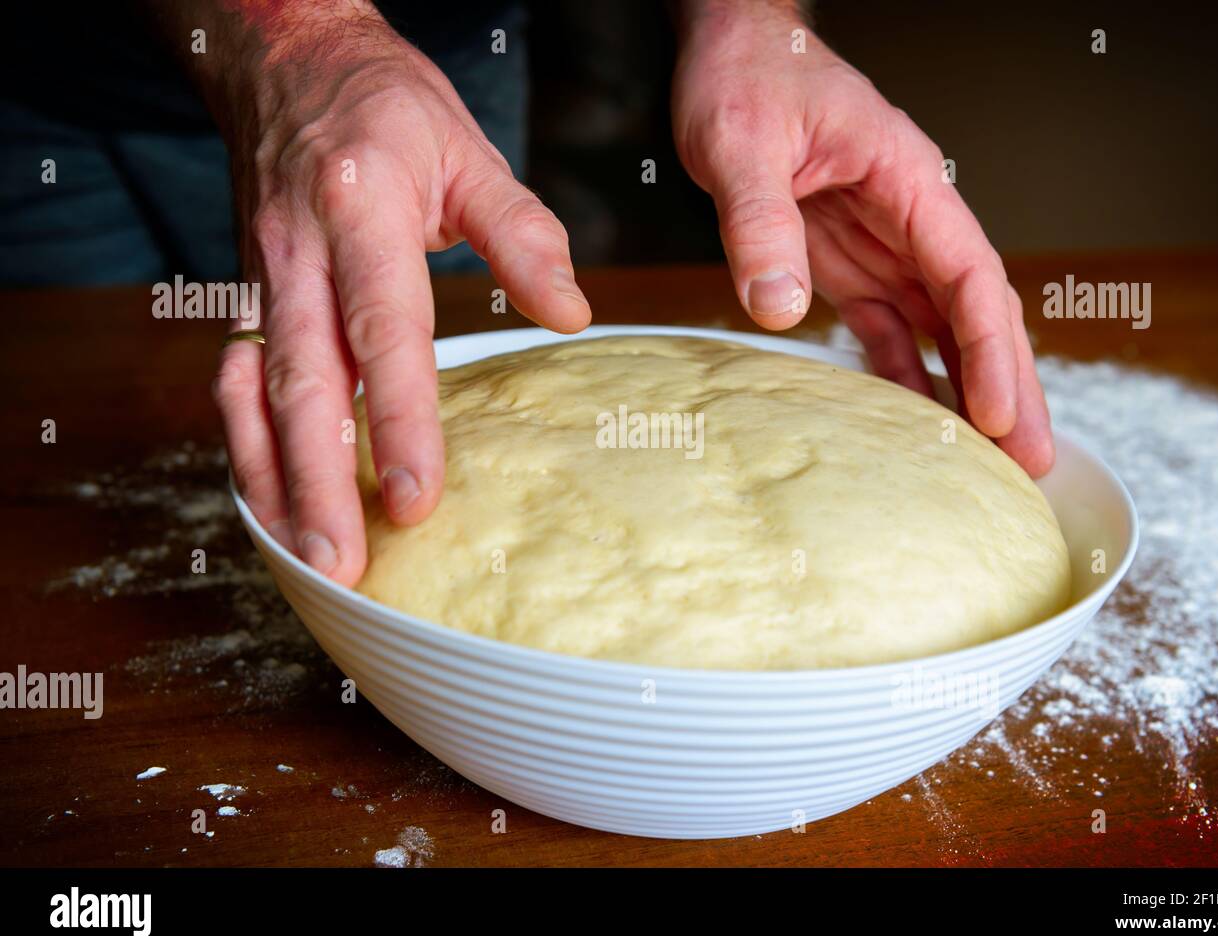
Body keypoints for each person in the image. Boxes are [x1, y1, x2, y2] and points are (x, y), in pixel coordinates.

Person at [3, 0, 1053, 585]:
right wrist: (296, 38)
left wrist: (750, 21)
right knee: (68, 473)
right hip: (41, 88)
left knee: (394, 427)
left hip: (436, 68)